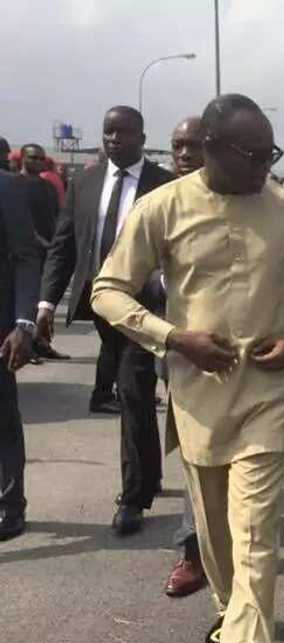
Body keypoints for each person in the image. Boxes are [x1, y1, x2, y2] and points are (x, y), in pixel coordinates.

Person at [90, 93, 284, 643]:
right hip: (198, 398)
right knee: (216, 536)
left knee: (254, 528)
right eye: (253, 156)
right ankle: (232, 614)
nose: (264, 166)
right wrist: (174, 338)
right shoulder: (162, 208)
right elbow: (107, 290)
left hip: (271, 394)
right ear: (210, 149)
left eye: (270, 154)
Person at [37, 105, 175, 535]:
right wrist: (45, 304)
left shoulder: (164, 184)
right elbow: (64, 245)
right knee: (129, 390)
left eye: (123, 132)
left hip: (143, 307)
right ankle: (147, 475)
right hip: (98, 304)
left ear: (141, 135)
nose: (114, 139)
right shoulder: (85, 181)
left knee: (133, 390)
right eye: (107, 132)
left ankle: (133, 497)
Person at [160, 115, 208, 599]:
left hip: (235, 355)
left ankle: (211, 551)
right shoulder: (156, 203)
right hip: (170, 345)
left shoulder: (250, 202)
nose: (185, 154)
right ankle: (193, 551)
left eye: (194, 145)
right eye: (178, 145)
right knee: (191, 454)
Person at [0, 169, 41, 541]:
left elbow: (27, 255)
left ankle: (10, 505)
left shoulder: (6, 186)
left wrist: (23, 323)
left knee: (2, 421)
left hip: (0, 328)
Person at [17, 144, 68, 363]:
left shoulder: (46, 186)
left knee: (44, 303)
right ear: (22, 158)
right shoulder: (15, 185)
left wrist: (56, 244)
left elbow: (59, 217)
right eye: (33, 158)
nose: (37, 162)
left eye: (41, 158)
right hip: (25, 254)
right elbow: (19, 222)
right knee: (25, 304)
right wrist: (40, 241)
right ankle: (24, 347)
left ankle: (41, 343)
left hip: (48, 252)